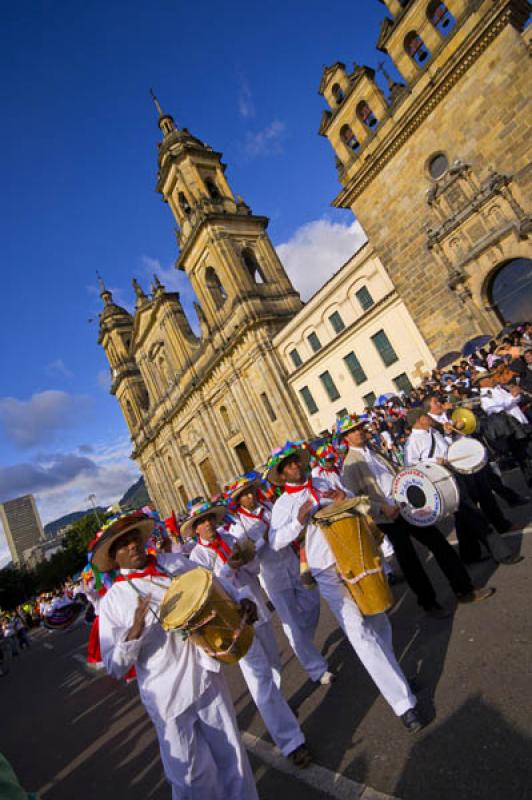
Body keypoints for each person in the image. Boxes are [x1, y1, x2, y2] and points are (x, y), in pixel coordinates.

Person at [96, 511, 259, 800]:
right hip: (166, 694)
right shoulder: (112, 601)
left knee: (232, 756)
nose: (132, 545)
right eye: (122, 544)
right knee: (190, 778)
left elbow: (212, 584)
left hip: (205, 674)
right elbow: (115, 666)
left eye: (134, 537)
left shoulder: (175, 563)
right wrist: (134, 630)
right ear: (113, 557)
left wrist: (238, 602)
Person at [268, 441, 423, 734]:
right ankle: (403, 704)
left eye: (295, 462)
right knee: (359, 633)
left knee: (378, 620)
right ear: (280, 474)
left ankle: (396, 678)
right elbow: (275, 541)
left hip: (354, 555)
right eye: (286, 466)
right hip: (327, 571)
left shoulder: (325, 481)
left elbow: (355, 502)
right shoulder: (282, 506)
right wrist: (298, 523)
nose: (294, 467)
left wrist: (344, 495)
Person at [186, 499, 312, 768]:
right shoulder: (197, 557)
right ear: (195, 529)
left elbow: (255, 570)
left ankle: (276, 710)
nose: (208, 525)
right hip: (232, 622)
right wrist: (230, 566)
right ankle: (291, 742)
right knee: (259, 677)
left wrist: (246, 559)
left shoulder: (231, 537)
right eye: (202, 522)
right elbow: (209, 589)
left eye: (209, 519)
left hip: (256, 608)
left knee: (274, 664)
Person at [339, 413, 494, 617]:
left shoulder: (375, 451)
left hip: (406, 505)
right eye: (352, 431)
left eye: (359, 428)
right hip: (388, 517)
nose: (358, 432)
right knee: (409, 560)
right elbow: (355, 499)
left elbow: (396, 470)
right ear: (346, 437)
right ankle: (429, 604)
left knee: (439, 543)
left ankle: (464, 589)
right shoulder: (349, 465)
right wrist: (381, 508)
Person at [225, 472, 333, 685]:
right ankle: (317, 670)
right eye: (244, 495)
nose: (250, 496)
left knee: (312, 603)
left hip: (291, 563)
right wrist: (264, 541)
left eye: (251, 492)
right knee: (291, 622)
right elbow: (247, 558)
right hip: (271, 575)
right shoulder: (238, 526)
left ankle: (302, 644)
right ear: (239, 500)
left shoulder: (269, 508)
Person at [404, 409, 522, 566]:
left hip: (456, 472)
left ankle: (469, 554)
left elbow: (445, 447)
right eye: (425, 416)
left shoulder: (433, 431)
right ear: (419, 420)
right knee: (474, 514)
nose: (429, 417)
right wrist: (433, 460)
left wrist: (447, 435)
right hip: (443, 479)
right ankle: (503, 554)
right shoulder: (412, 441)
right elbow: (411, 465)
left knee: (463, 516)